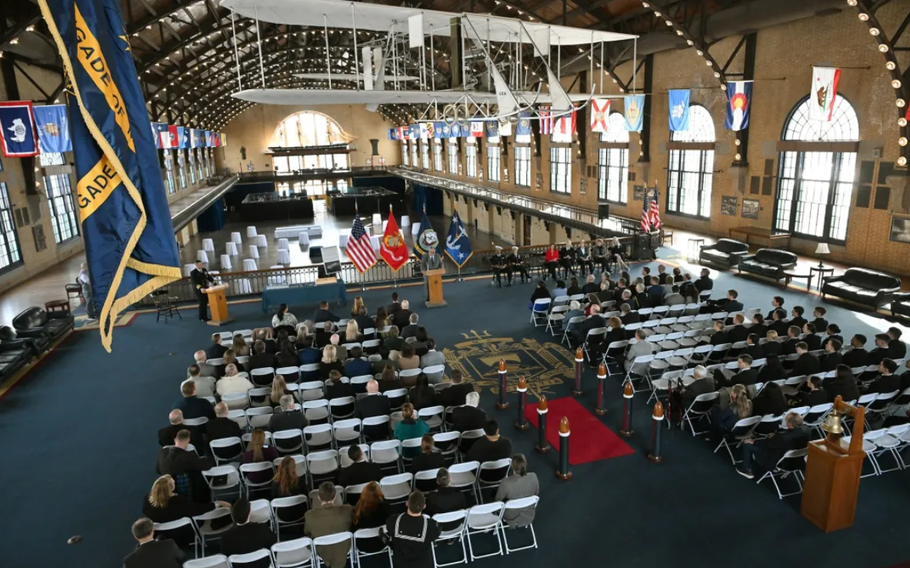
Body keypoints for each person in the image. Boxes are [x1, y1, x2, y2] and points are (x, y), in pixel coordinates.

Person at [142, 475, 228, 546]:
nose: (174, 482)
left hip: (163, 536)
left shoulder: (147, 501)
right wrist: (216, 504)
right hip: (184, 534)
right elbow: (199, 509)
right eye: (173, 483)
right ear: (171, 489)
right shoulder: (179, 502)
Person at [736, 412, 810, 479]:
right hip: (795, 461)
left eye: (786, 419)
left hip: (777, 461)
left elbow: (767, 444)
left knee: (747, 444)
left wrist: (754, 441)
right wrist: (776, 436)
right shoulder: (807, 430)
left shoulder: (783, 438)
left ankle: (747, 470)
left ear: (790, 424)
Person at [305, 482, 353, 568]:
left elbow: (306, 531)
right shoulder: (347, 510)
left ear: (319, 497)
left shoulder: (309, 516)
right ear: (335, 497)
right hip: (343, 548)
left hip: (322, 550)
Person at [156, 429, 214, 501]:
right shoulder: (187, 456)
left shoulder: (162, 452)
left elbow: (158, 469)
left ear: (175, 440)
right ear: (188, 440)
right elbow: (206, 465)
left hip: (165, 485)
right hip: (179, 486)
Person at [221, 497, 277, 565]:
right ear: (249, 513)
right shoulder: (262, 528)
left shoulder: (226, 537)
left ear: (232, 515)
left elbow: (227, 559)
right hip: (262, 565)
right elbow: (274, 547)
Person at [495, 454, 540, 527]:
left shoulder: (506, 483)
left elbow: (498, 500)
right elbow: (536, 494)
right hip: (528, 514)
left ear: (512, 466)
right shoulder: (533, 477)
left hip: (511, 516)